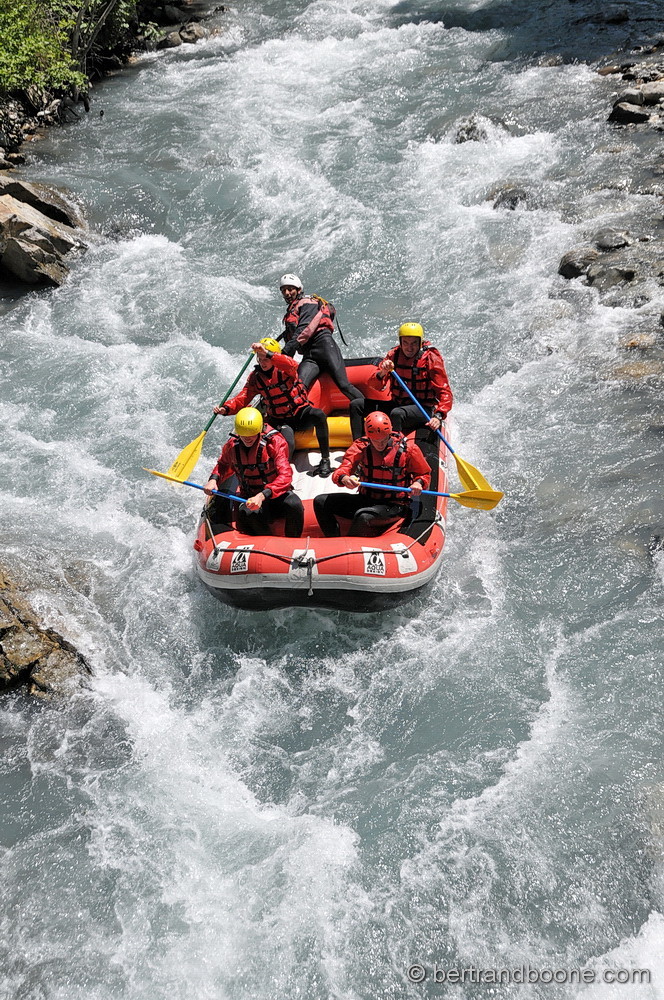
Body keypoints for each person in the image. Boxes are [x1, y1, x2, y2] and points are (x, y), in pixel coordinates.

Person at [213, 338, 333, 477]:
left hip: (299, 412)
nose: (263, 362)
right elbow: (244, 397)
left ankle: (325, 460)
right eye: (260, 359)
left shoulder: (285, 369)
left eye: (266, 358)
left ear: (273, 357)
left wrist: (268, 353)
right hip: (279, 419)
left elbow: (293, 365)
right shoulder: (256, 377)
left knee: (318, 415)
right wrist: (226, 408)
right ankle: (282, 477)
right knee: (287, 441)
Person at [314, 412, 431, 537]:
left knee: (364, 516)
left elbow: (424, 474)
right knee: (320, 501)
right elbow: (342, 470)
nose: (380, 444)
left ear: (390, 433)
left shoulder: (409, 450)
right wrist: (344, 478)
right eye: (376, 440)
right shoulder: (361, 446)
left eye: (384, 439)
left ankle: (351, 548)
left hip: (394, 505)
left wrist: (418, 483)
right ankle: (334, 540)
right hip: (366, 499)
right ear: (369, 437)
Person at [279, 273, 365, 439]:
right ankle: (296, 424)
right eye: (284, 290)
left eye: (290, 289)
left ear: (298, 289)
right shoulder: (292, 310)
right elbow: (294, 334)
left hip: (324, 346)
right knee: (299, 386)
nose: (287, 293)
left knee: (344, 385)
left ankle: (370, 413)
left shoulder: (308, 303)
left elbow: (305, 329)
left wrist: (285, 353)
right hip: (310, 355)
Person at [203, 407, 303, 537]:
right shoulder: (232, 446)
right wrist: (213, 479)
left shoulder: (275, 442)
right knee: (249, 514)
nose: (247, 438)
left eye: (251, 433)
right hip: (249, 497)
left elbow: (285, 475)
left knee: (294, 504)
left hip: (274, 494)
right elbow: (222, 464)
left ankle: (293, 540)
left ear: (259, 430)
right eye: (243, 434)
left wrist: (262, 495)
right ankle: (267, 542)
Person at [369, 322, 453, 434]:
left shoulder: (430, 358)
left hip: (423, 409)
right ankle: (361, 444)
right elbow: (374, 385)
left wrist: (438, 416)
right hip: (399, 404)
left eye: (414, 343)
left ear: (420, 343)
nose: (409, 348)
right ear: (400, 342)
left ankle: (395, 446)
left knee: (397, 413)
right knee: (357, 405)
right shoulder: (394, 355)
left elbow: (445, 392)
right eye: (405, 343)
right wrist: (382, 372)